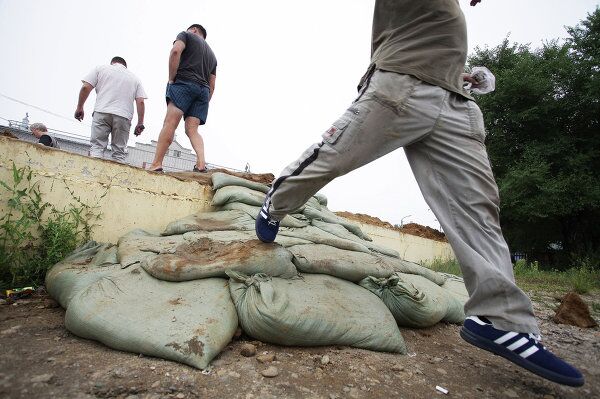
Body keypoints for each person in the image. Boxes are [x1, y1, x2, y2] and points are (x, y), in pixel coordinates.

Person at [255, 0, 584, 387]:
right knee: (333, 159)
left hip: (455, 102)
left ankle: (501, 321)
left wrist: (462, 74)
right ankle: (275, 205)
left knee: (478, 211)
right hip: (401, 87)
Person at [147, 24, 217, 173]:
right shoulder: (212, 56)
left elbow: (175, 51)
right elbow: (212, 84)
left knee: (170, 123)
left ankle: (156, 164)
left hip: (184, 82)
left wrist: (172, 79)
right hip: (203, 91)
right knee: (193, 130)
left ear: (194, 30)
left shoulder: (186, 35)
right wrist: (204, 101)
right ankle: (201, 164)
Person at [74, 56, 147, 163]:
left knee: (97, 148)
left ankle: (93, 176)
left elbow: (85, 87)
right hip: (124, 116)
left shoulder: (100, 69)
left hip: (101, 111)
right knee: (119, 153)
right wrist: (140, 123)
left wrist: (80, 107)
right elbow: (140, 101)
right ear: (125, 66)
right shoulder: (134, 78)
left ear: (112, 63)